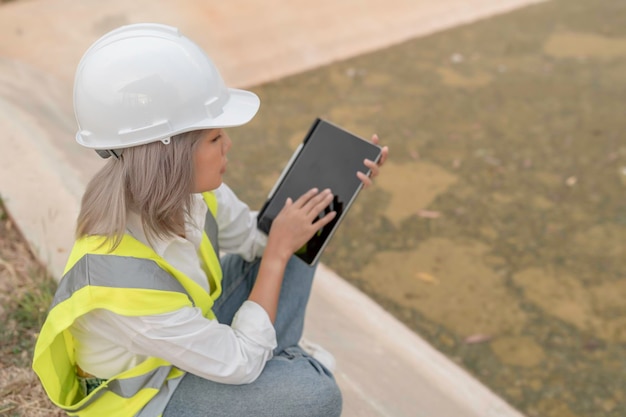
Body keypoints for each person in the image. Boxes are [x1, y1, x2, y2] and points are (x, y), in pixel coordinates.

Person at [32, 23, 388, 417]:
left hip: (190, 341)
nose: (229, 145)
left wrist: (335, 183)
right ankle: (284, 362)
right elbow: (239, 361)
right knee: (318, 395)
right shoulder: (121, 284)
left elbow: (260, 237)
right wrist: (275, 256)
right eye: (216, 139)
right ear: (173, 156)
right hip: (152, 395)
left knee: (302, 240)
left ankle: (279, 359)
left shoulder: (195, 193)